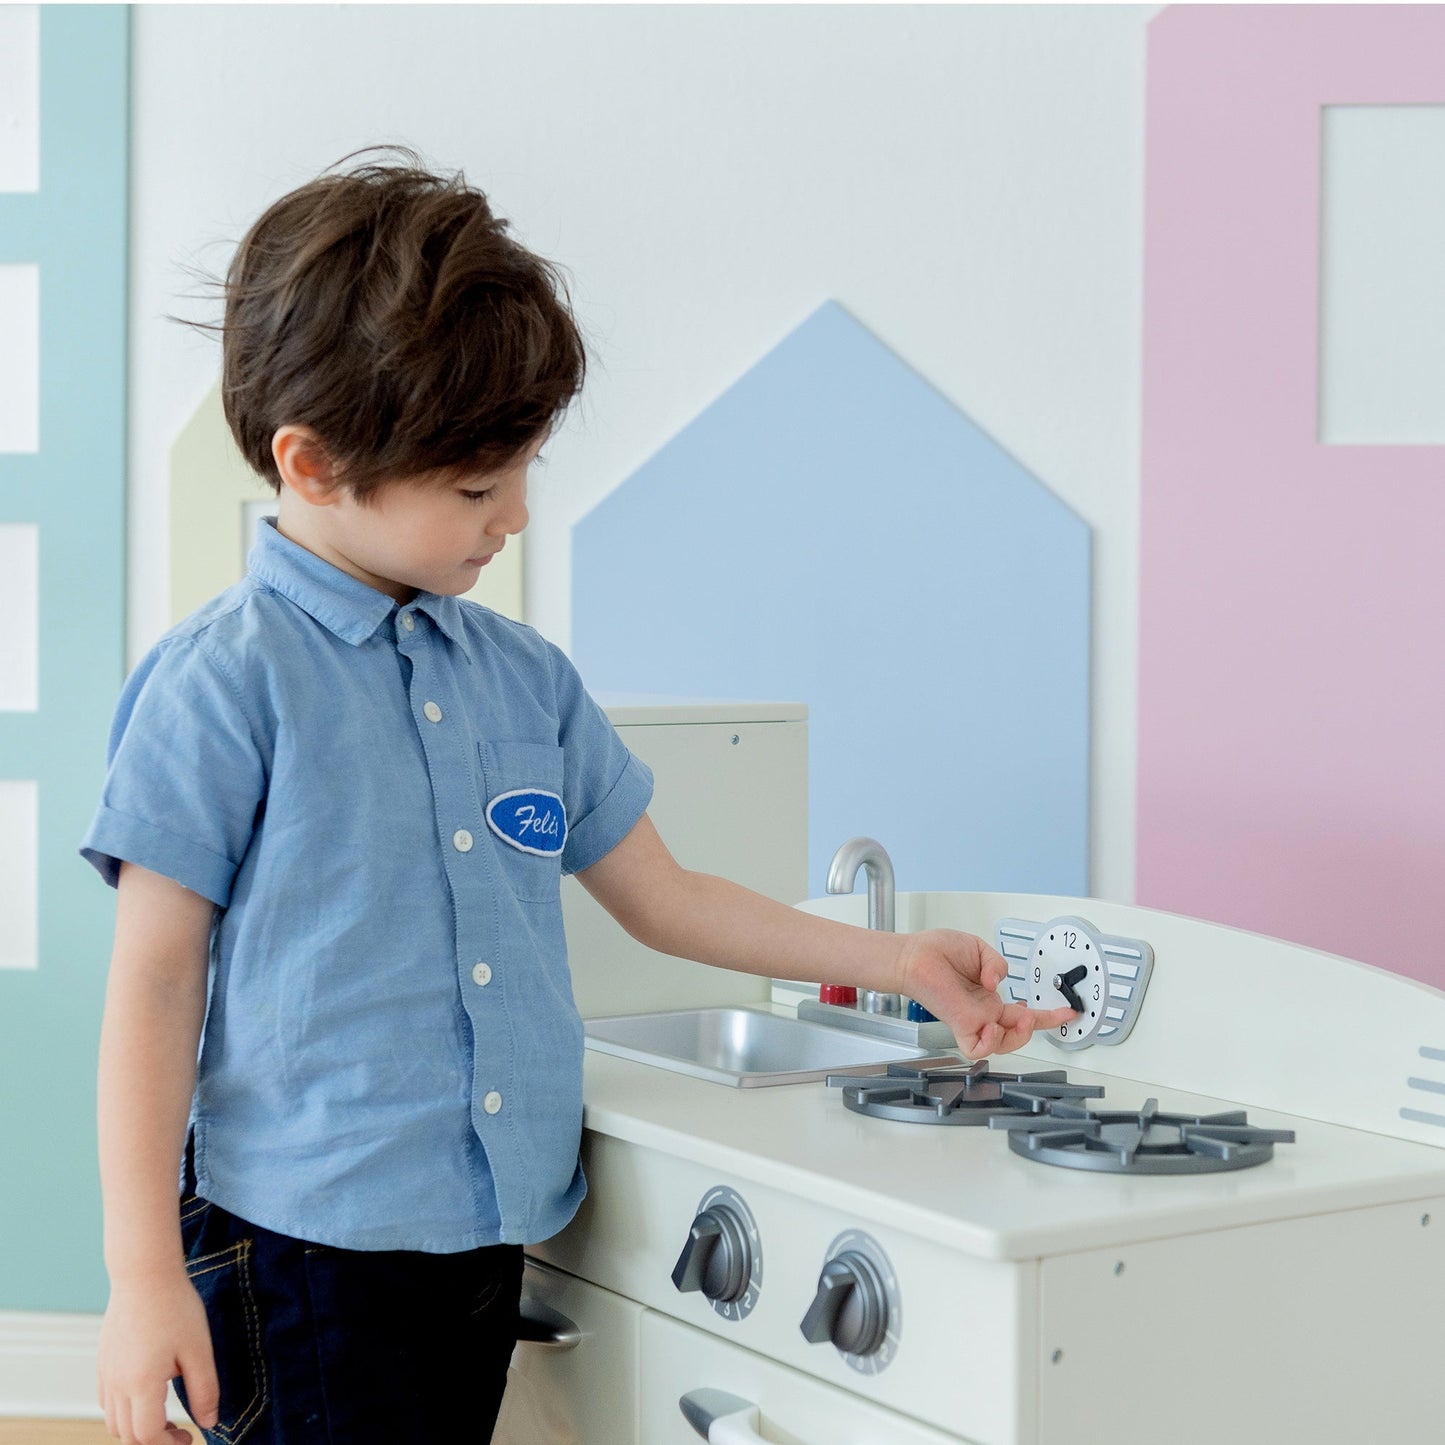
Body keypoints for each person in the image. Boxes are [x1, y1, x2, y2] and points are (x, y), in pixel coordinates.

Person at [82, 148, 1074, 1445]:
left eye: (524, 469)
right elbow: (153, 984)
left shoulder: (522, 680)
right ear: (313, 464)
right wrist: (140, 1273)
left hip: (486, 1229)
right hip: (301, 1247)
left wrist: (897, 955)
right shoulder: (222, 685)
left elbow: (666, 897)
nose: (517, 517)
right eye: (476, 488)